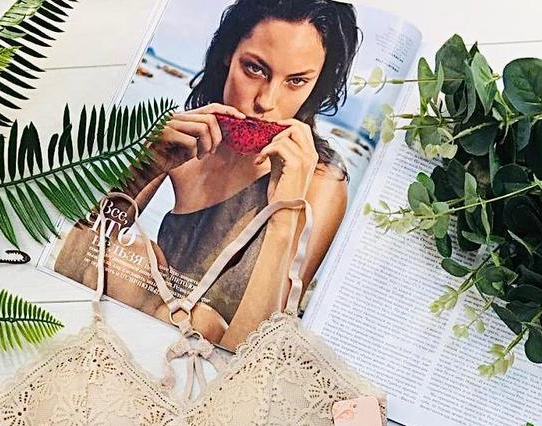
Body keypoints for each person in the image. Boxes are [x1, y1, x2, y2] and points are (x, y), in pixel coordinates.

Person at [56, 0, 359, 349]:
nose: (266, 101)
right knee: (129, 257)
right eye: (255, 69)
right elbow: (68, 268)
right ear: (228, 53)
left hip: (211, 363)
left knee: (201, 320)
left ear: (316, 83)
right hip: (134, 336)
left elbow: (256, 356)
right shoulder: (185, 137)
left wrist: (285, 214)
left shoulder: (320, 182)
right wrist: (144, 168)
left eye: (296, 81)